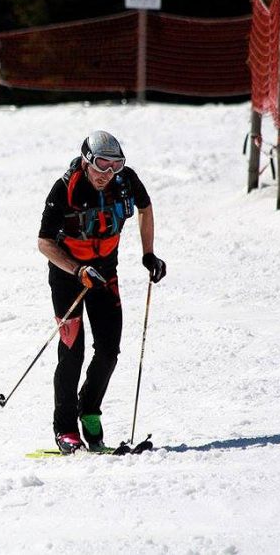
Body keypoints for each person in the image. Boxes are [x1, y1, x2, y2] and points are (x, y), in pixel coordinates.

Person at [37, 130, 166, 454]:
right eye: (101, 167)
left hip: (106, 276)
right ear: (86, 161)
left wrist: (148, 253)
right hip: (70, 278)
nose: (107, 175)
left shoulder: (125, 181)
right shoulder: (65, 188)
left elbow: (145, 208)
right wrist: (78, 269)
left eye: (115, 167)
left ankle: (89, 410)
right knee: (72, 351)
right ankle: (65, 428)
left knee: (109, 350)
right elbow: (44, 242)